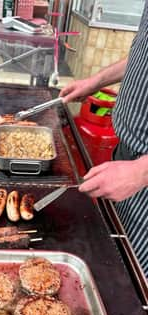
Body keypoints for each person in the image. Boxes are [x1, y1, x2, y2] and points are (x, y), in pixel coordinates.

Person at [60, 1, 148, 273]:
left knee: (138, 286)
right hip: (126, 156)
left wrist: (141, 172)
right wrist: (95, 81)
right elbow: (141, 54)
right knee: (117, 261)